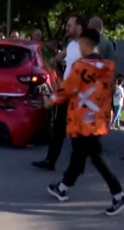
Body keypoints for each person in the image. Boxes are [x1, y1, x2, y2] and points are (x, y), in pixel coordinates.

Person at [45, 28, 124, 216]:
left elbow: (67, 89)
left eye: (79, 43)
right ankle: (63, 186)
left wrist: (49, 100)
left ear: (85, 43)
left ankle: (119, 195)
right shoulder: (106, 67)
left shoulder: (82, 66)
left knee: (97, 157)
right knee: (79, 154)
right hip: (96, 118)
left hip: (82, 118)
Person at [32, 14, 86, 171]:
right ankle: (50, 160)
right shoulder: (71, 45)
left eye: (70, 25)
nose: (66, 28)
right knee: (59, 128)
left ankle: (77, 165)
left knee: (76, 132)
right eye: (67, 25)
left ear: (79, 27)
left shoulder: (86, 46)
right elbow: (60, 59)